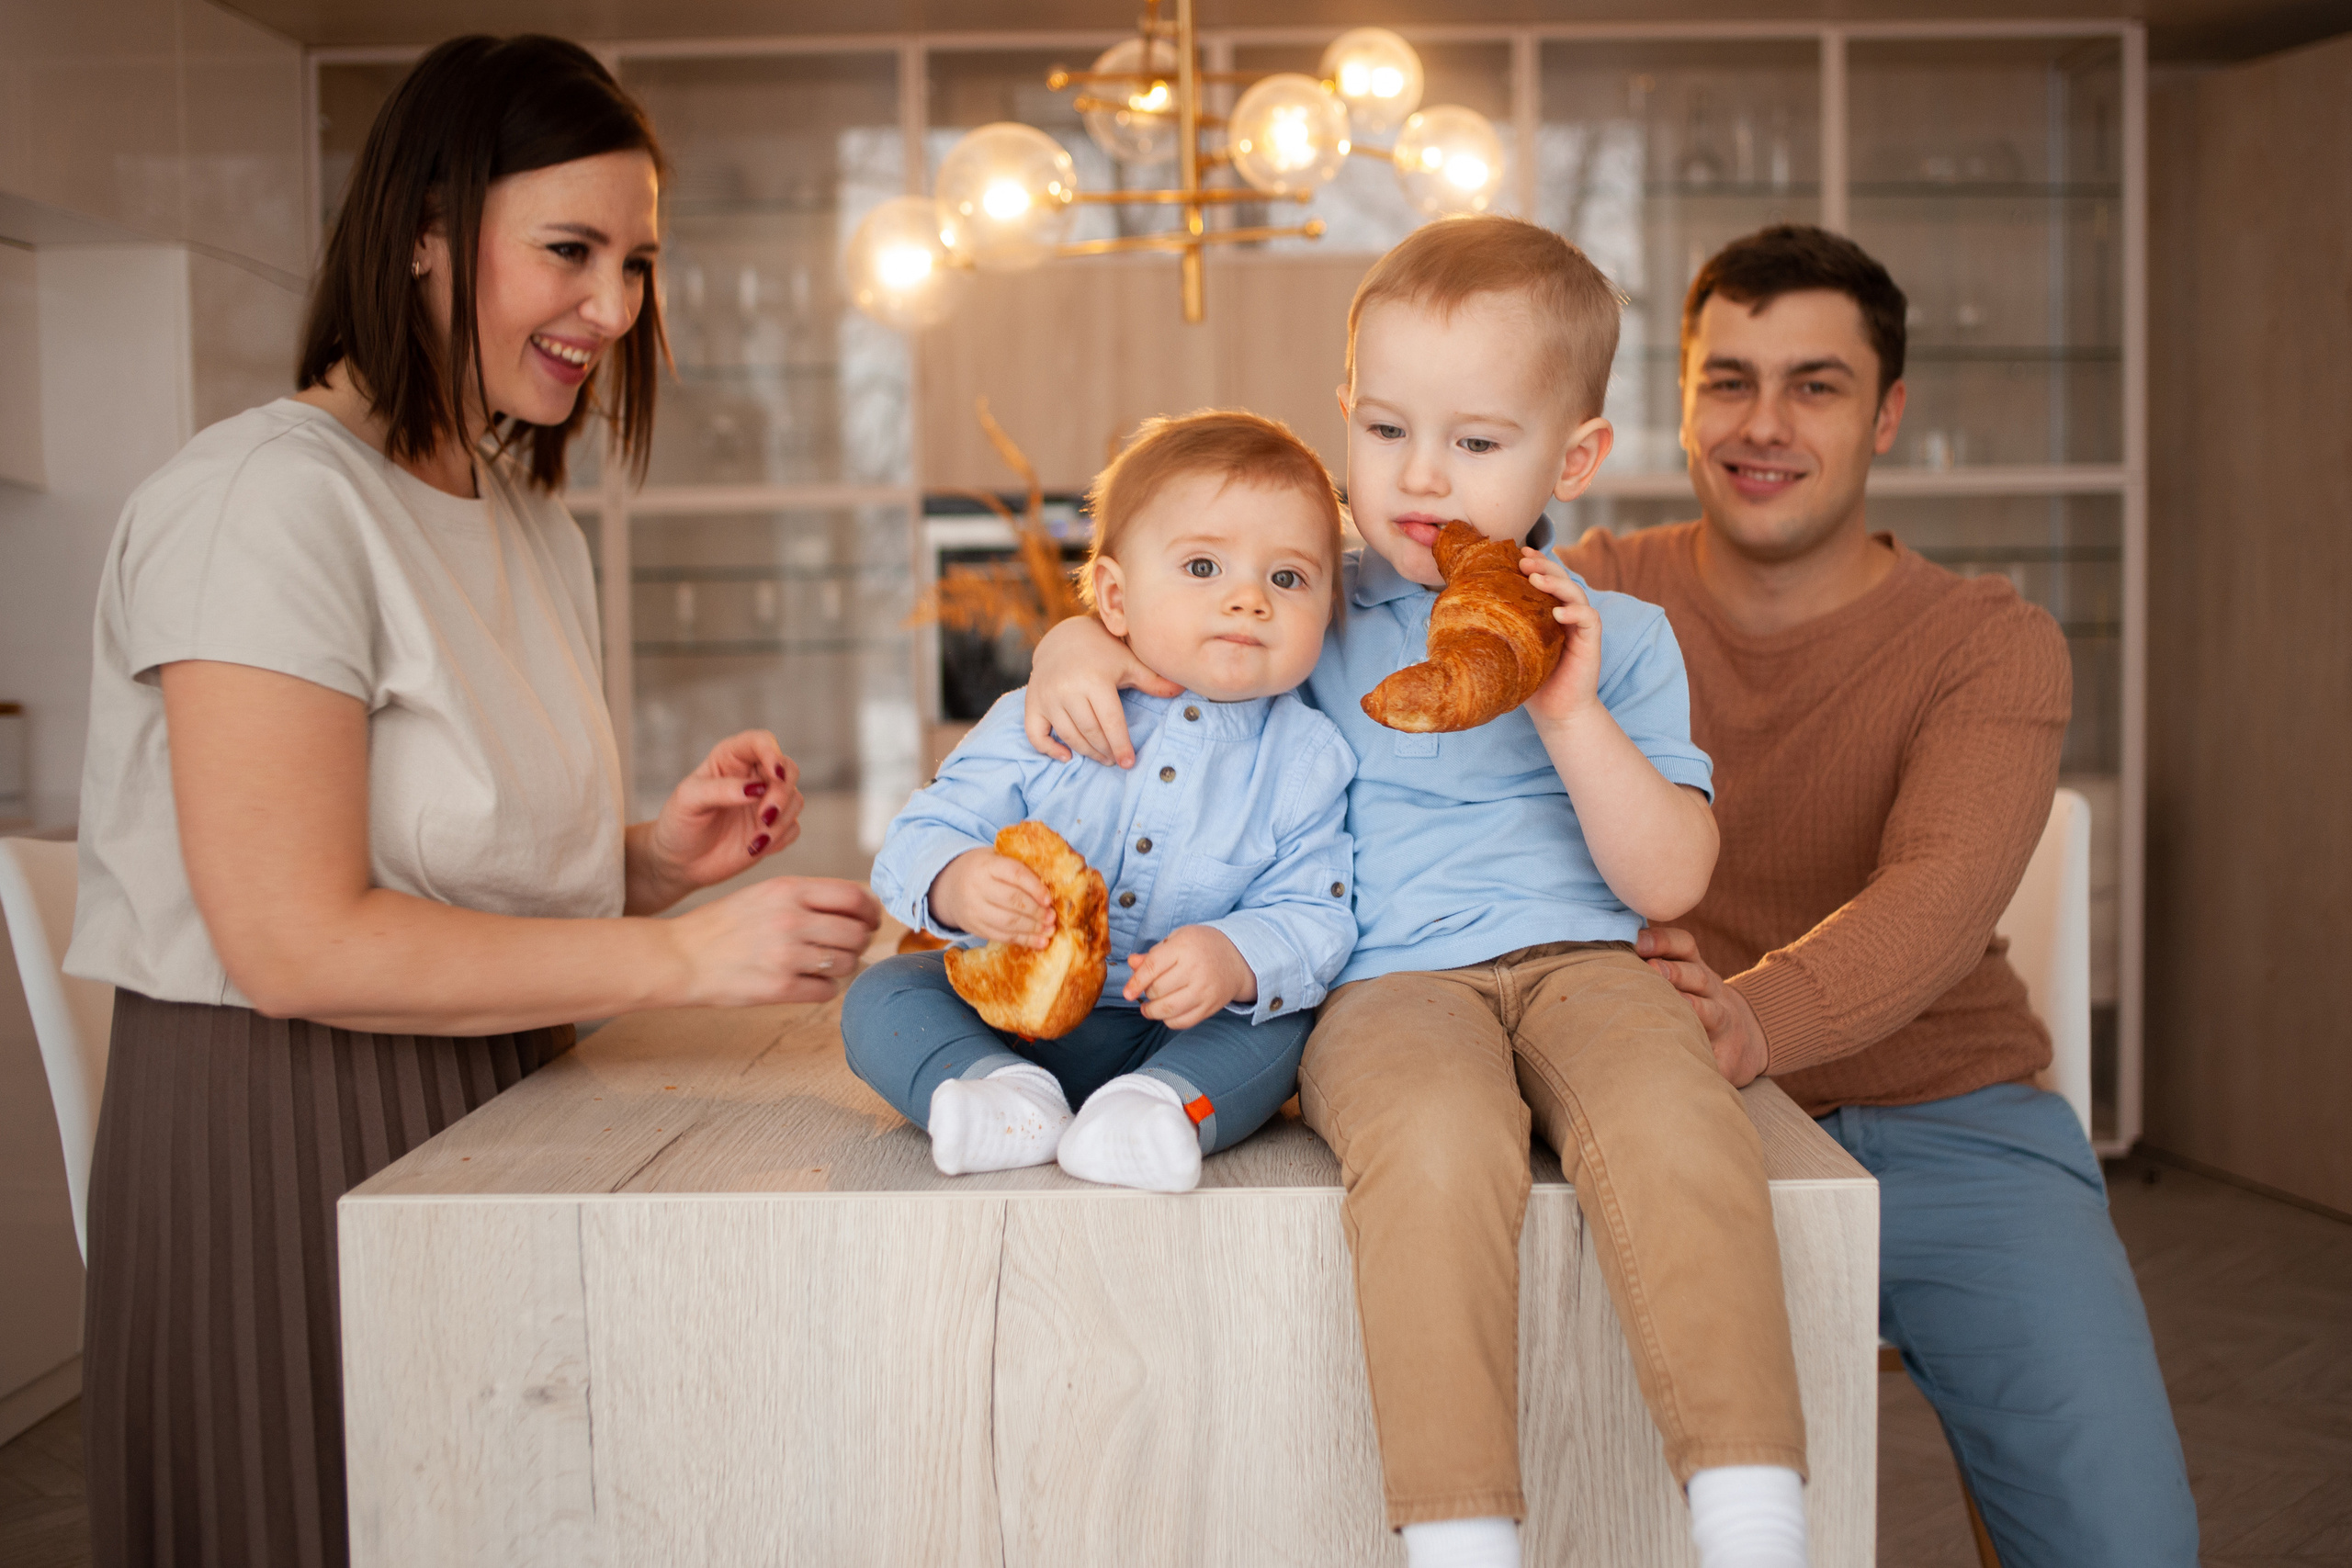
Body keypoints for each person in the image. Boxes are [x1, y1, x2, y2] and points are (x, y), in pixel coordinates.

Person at [62, 36, 880, 1568]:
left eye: (635, 263)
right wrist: (685, 963)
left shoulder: (517, 508)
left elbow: (464, 873)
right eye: (570, 250)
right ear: (427, 228)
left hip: (505, 1089)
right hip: (285, 1129)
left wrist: (648, 862)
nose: (615, 309)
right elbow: (297, 942)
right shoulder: (267, 504)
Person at [1021, 218, 1811, 1568]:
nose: (1422, 473)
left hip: (1585, 957)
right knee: (1436, 1146)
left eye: (1477, 442)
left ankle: (1751, 1516)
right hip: (1380, 979)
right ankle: (1461, 1534)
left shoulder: (1623, 640)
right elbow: (1156, 598)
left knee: (1682, 1126)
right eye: (1386, 430)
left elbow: (1673, 874)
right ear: (1344, 418)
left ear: (1573, 459)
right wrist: (1065, 646)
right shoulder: (1303, 604)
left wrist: (1569, 711)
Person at [1586, 225, 2197, 1568]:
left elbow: (1937, 893)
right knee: (1597, 1500)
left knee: (2127, 1543)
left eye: (1816, 383)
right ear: (1681, 400)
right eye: (1727, 378)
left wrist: (1745, 1017)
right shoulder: (1598, 590)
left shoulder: (1989, 639)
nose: (1763, 424)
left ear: (1888, 412)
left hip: (1951, 1120)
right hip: (1666, 1115)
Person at [843, 411, 1356, 1193]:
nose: (1249, 599)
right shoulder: (1041, 713)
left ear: (1328, 609)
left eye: (1287, 579)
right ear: (1114, 597)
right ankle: (1001, 1091)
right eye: (1202, 567)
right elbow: (922, 832)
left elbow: (1317, 915)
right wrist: (959, 878)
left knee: (1283, 1031)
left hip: (1175, 1031)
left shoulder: (1305, 759)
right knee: (883, 994)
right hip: (1010, 1016)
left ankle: (1151, 1110)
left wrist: (1233, 957)